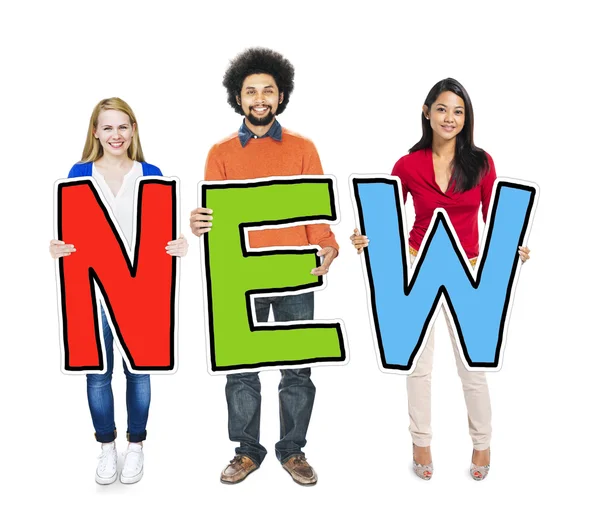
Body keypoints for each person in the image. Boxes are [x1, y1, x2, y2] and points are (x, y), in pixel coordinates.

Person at [351, 78, 530, 481]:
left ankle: (482, 445)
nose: (450, 118)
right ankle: (421, 443)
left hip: (467, 267)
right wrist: (365, 239)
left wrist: (512, 249)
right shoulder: (408, 164)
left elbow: (494, 216)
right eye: (443, 109)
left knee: (473, 367)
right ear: (427, 111)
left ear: (466, 119)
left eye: (459, 111)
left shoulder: (481, 162)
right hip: (419, 264)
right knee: (419, 365)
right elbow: (386, 216)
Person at [190, 48, 339, 486]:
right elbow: (215, 216)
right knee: (241, 368)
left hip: (293, 272)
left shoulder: (303, 148)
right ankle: (247, 451)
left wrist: (328, 245)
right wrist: (198, 224)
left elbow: (316, 213)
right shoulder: (219, 153)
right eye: (251, 90)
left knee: (297, 367)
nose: (259, 98)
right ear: (238, 97)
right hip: (242, 276)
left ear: (280, 96)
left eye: (268, 90)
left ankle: (293, 451)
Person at [49, 97, 188, 485]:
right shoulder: (78, 173)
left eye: (123, 127)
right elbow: (70, 230)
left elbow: (162, 230)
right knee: (97, 376)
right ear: (95, 131)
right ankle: (107, 447)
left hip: (139, 293)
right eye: (107, 127)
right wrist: (56, 247)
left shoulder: (151, 172)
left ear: (133, 131)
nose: (116, 135)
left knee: (139, 374)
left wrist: (178, 244)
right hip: (93, 296)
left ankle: (137, 445)